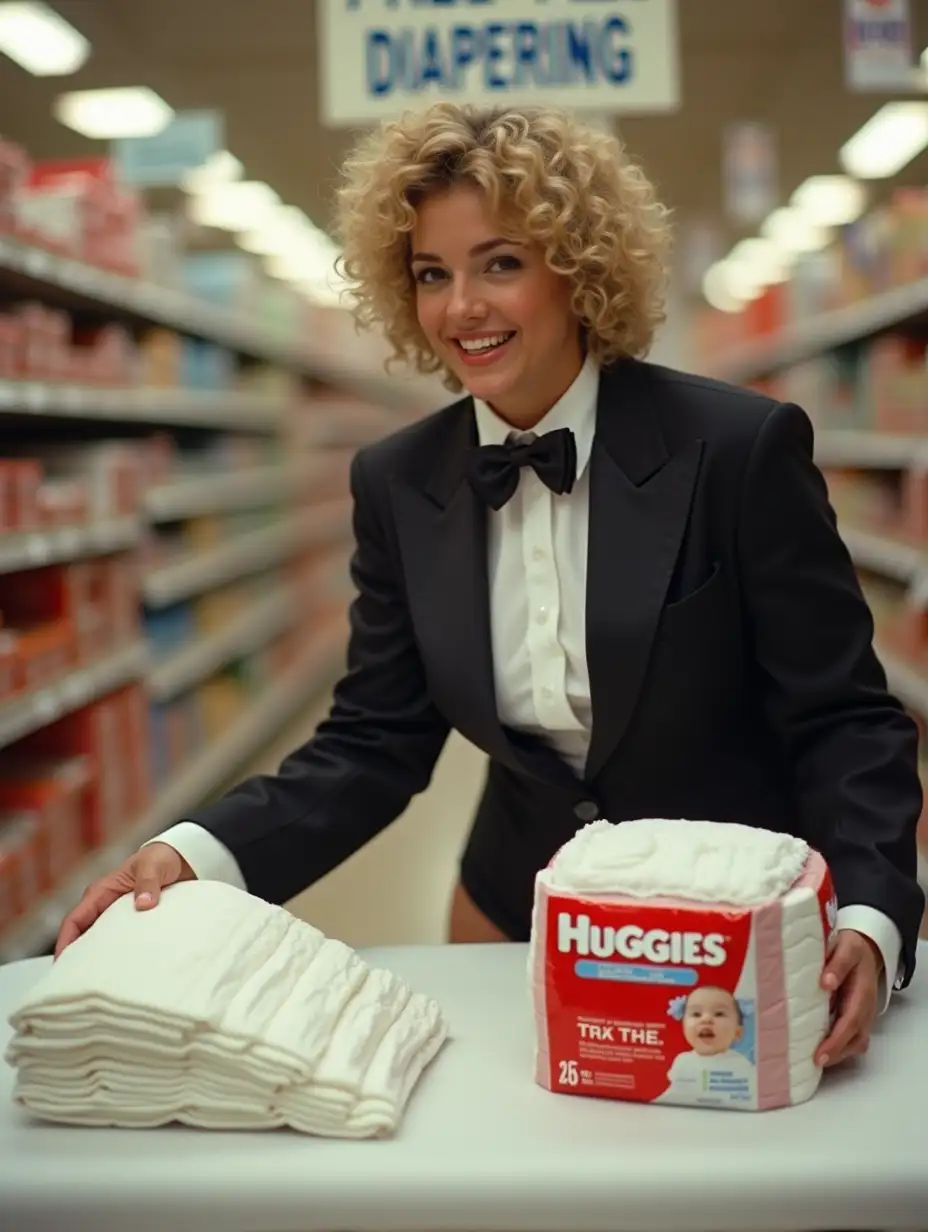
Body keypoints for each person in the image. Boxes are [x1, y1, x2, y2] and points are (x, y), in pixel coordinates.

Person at [56, 102, 924, 1073]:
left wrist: (873, 910)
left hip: (735, 928)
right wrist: (192, 853)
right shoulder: (398, 481)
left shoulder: (733, 448)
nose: (460, 305)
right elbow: (373, 739)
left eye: (500, 262)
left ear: (577, 266)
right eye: (432, 273)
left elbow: (842, 715)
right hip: (512, 905)